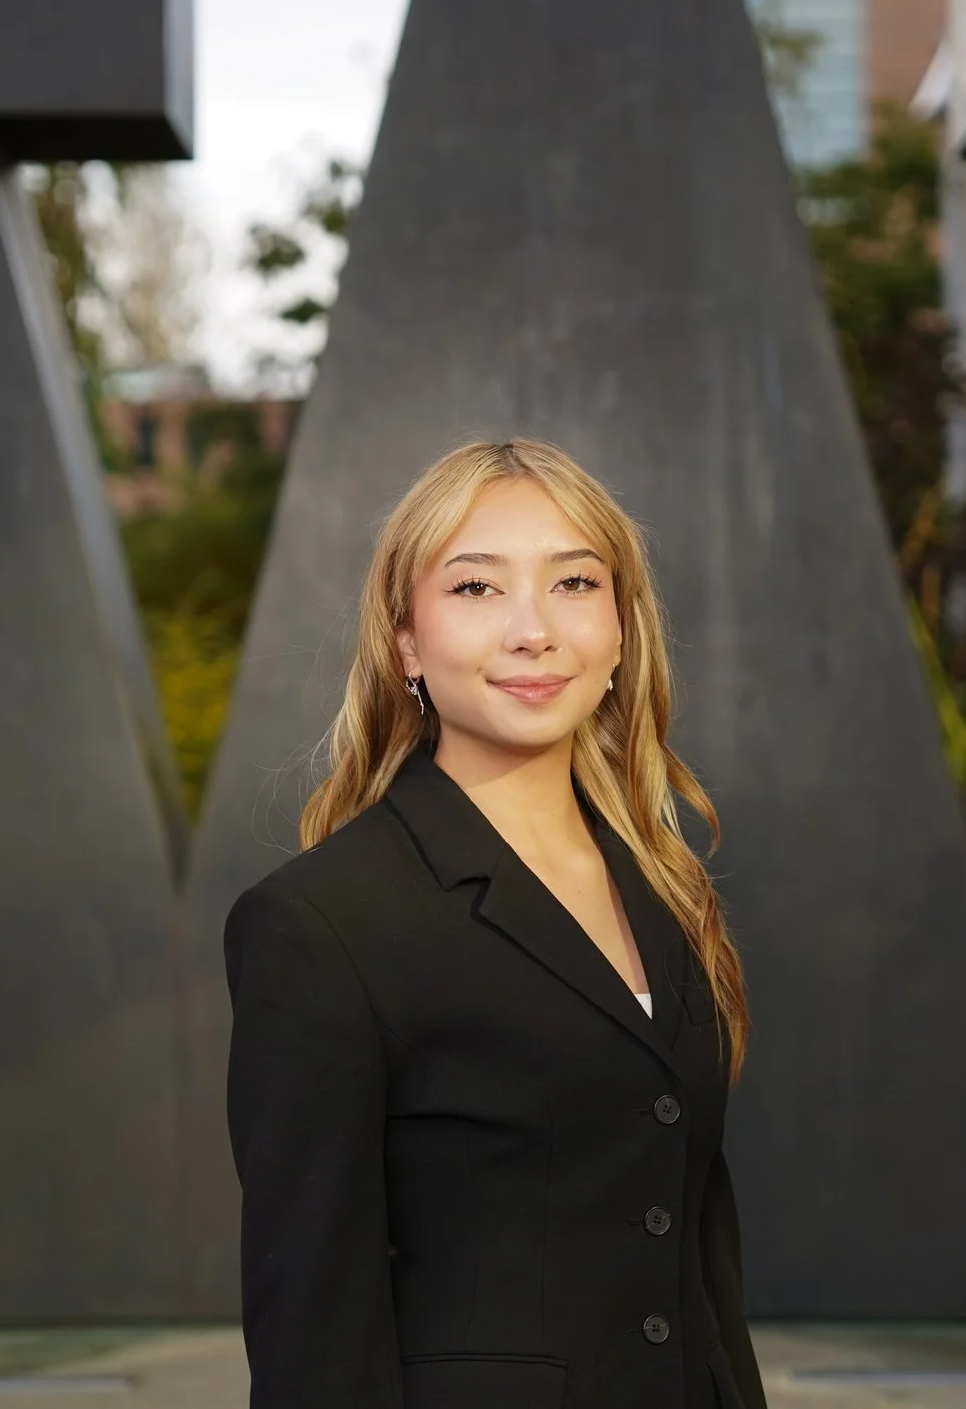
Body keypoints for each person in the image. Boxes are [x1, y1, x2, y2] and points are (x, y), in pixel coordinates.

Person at [224, 437, 768, 1409]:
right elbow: (312, 1318)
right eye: (477, 588)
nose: (533, 630)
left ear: (620, 627)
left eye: (573, 582)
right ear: (403, 640)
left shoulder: (665, 886)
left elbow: (696, 1254)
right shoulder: (320, 924)